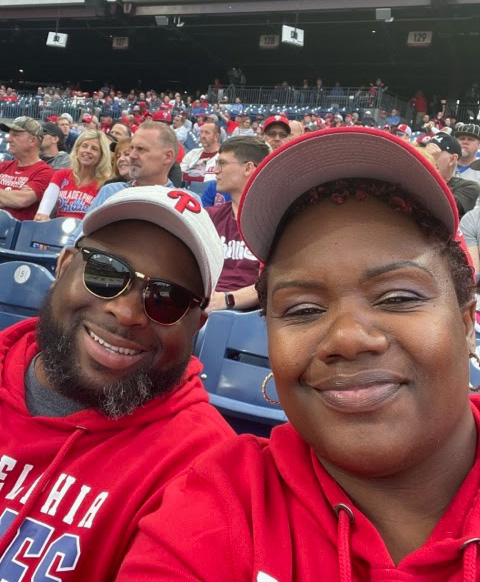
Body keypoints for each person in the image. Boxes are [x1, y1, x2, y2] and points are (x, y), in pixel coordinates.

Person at [117, 127, 480, 581]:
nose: (347, 339)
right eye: (303, 308)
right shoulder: (222, 501)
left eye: (398, 297)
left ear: (466, 322)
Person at [0, 185, 233, 580]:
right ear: (64, 266)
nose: (126, 313)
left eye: (167, 298)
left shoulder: (207, 465)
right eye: (106, 272)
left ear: (198, 326)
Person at [206, 137, 270, 311]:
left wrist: (227, 300)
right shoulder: (210, 217)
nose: (216, 171)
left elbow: (276, 281)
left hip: (252, 315)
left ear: (248, 168)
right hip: (206, 306)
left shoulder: (272, 220)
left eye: (222, 164)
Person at [35, 130, 111, 221]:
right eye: (84, 146)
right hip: (58, 229)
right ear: (77, 149)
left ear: (102, 155)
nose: (87, 151)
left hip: (85, 233)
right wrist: (42, 216)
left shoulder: (105, 183)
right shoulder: (61, 175)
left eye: (94, 148)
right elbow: (44, 210)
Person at [0, 116, 54, 220]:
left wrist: (12, 199)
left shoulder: (45, 172)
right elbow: (17, 199)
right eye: (10, 134)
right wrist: (11, 197)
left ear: (32, 141)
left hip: (19, 233)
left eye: (15, 135)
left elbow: (21, 201)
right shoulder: (3, 166)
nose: (9, 139)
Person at [425, 133, 480, 217]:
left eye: (434, 153)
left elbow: (444, 209)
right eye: (425, 151)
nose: (427, 156)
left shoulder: (469, 187)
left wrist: (431, 168)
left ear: (452, 159)